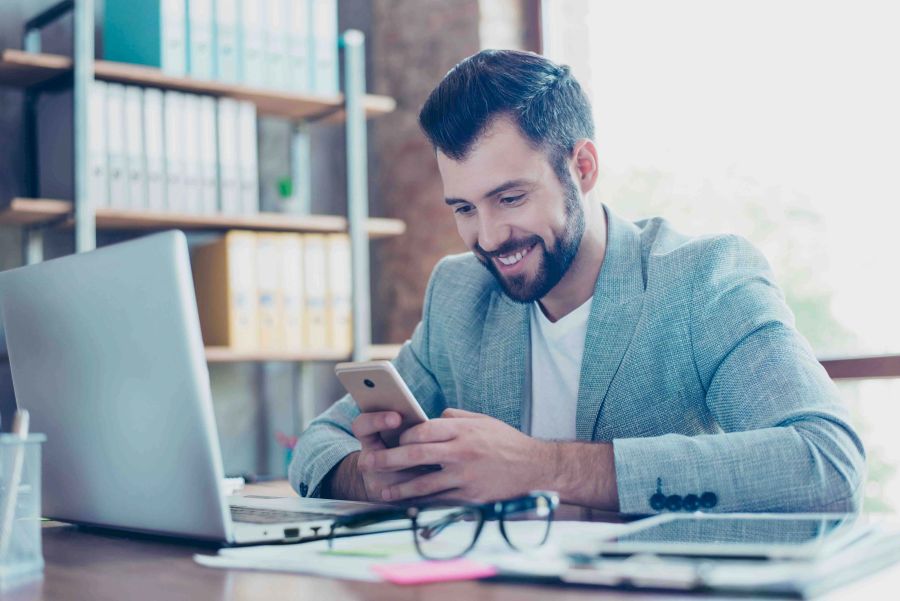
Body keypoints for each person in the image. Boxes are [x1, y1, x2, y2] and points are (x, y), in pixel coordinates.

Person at [289, 49, 865, 513]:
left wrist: (544, 467)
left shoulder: (704, 280)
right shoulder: (459, 294)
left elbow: (827, 463)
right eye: (464, 208)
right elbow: (317, 444)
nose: (488, 238)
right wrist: (378, 478)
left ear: (582, 168)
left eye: (510, 198)